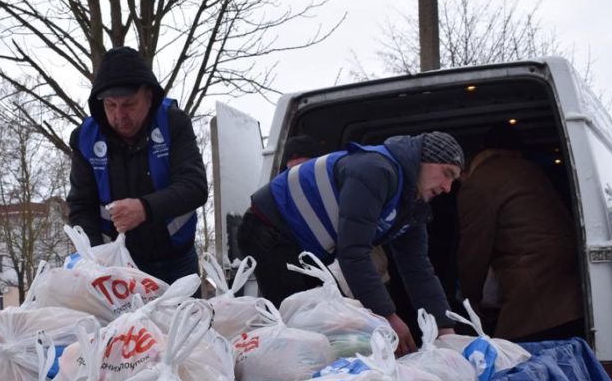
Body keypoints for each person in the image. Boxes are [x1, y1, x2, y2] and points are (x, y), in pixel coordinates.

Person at [237, 132, 465, 354]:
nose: (447, 187)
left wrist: (445, 330)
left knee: (326, 323)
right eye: (446, 174)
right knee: (301, 330)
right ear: (421, 160)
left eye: (453, 180)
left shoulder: (412, 203)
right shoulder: (375, 171)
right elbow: (354, 253)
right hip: (269, 232)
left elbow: (418, 268)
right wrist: (388, 317)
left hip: (304, 247)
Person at [67, 47, 208, 283]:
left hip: (177, 260)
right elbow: (81, 206)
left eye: (129, 104)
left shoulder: (173, 123)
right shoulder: (85, 139)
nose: (119, 115)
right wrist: (94, 257)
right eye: (110, 105)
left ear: (149, 97)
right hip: (117, 266)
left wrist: (145, 208)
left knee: (185, 309)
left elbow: (195, 186)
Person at [457, 123, 584, 342]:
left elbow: (474, 251)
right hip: (570, 284)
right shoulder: (531, 170)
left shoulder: (478, 184)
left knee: (518, 351)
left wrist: (470, 300)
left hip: (533, 286)